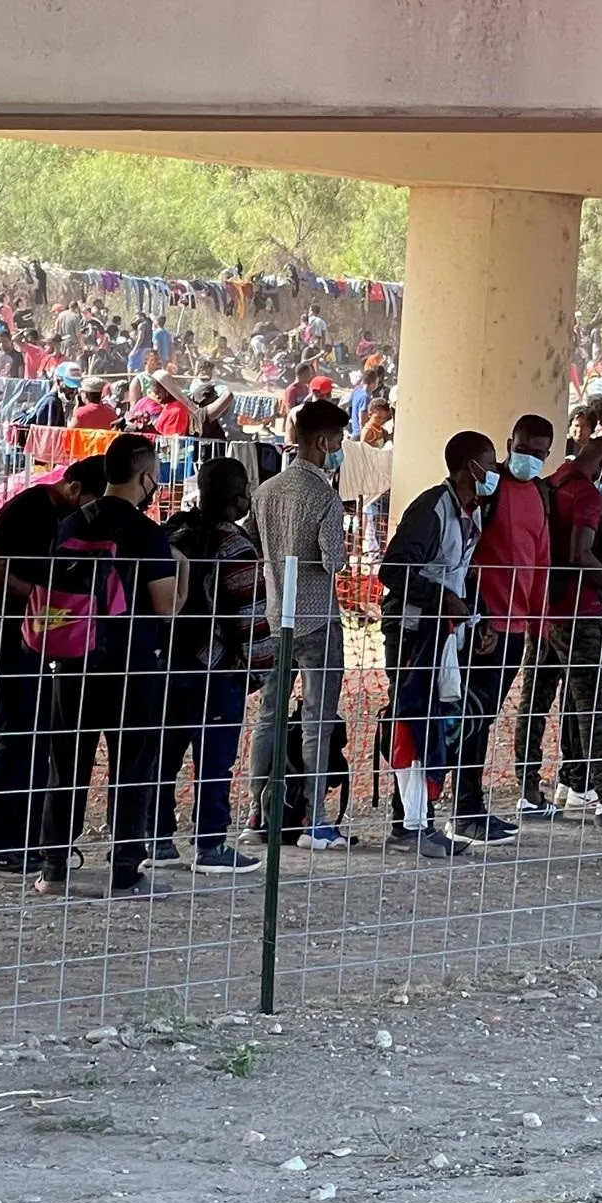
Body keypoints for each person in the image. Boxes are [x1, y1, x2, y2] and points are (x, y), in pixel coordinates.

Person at [27, 433, 185, 898]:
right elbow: (165, 607)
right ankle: (125, 871)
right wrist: (184, 573)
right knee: (131, 768)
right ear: (146, 476)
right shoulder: (145, 532)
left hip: (73, 660)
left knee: (67, 764)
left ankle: (54, 868)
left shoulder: (72, 521)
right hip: (131, 664)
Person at [0, 455, 107, 876]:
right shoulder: (31, 508)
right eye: (90, 503)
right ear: (75, 489)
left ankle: (21, 837)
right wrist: (42, 600)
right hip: (0, 641)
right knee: (18, 737)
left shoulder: (62, 517)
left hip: (28, 645)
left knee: (35, 735)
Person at [378, 431, 498, 859]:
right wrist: (441, 599)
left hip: (445, 631)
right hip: (414, 630)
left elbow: (461, 573)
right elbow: (392, 571)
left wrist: (479, 612)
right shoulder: (432, 509)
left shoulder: (472, 512)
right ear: (472, 467)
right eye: (491, 461)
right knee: (412, 716)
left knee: (437, 719)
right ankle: (407, 825)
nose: (496, 470)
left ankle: (421, 819)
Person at [512, 437, 602, 824]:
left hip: (544, 610)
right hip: (582, 613)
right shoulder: (587, 495)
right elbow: (581, 553)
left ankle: (529, 792)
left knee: (534, 701)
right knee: (592, 707)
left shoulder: (549, 485)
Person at [245, 398, 351, 850]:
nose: (341, 448)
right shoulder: (325, 496)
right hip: (317, 620)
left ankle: (257, 812)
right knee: (316, 720)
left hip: (273, 618)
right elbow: (335, 562)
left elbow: (251, 542)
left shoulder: (266, 491)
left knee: (268, 718)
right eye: (340, 441)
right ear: (323, 442)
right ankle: (316, 818)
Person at [157, 457, 271, 874]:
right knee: (214, 761)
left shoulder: (173, 534)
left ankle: (156, 838)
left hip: (166, 662)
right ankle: (209, 844)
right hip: (219, 669)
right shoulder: (236, 546)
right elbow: (252, 617)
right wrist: (255, 668)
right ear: (239, 497)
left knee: (162, 753)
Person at [453, 415, 554, 841]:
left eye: (538, 453)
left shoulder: (539, 496)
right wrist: (474, 612)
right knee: (470, 715)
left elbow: (540, 564)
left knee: (484, 715)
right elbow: (465, 548)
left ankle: (469, 804)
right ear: (510, 442)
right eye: (523, 448)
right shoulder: (487, 489)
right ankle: (464, 807)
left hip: (515, 628)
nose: (529, 458)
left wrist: (540, 624)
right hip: (482, 622)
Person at [347, 367, 382, 438]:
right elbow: (362, 421)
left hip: (355, 432)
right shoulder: (365, 398)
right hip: (359, 435)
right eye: (377, 382)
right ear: (372, 383)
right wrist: (364, 437)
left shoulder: (356, 391)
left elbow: (347, 406)